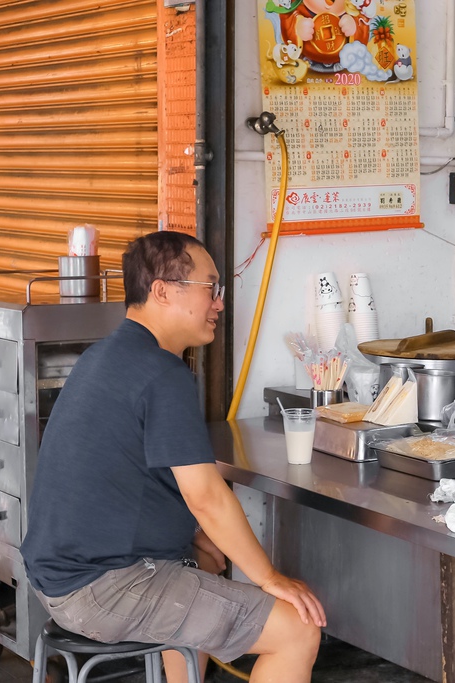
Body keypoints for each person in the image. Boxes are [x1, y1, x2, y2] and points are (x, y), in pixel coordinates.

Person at [21, 231, 325, 683]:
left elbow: (135, 479)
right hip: (105, 588)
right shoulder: (162, 373)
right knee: (297, 630)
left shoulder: (105, 356)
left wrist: (203, 536)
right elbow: (205, 495)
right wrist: (269, 577)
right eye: (211, 288)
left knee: (203, 556)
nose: (219, 303)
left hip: (59, 577)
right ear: (163, 290)